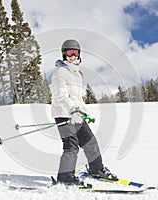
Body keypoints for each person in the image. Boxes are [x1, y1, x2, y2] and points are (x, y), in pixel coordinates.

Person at [51, 39, 117, 185]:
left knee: (90, 141)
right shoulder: (59, 72)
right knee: (71, 145)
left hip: (77, 115)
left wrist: (82, 110)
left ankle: (96, 169)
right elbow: (61, 96)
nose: (73, 56)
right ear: (64, 55)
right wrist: (72, 109)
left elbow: (77, 97)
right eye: (69, 53)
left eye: (75, 53)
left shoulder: (77, 73)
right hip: (63, 114)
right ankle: (65, 177)